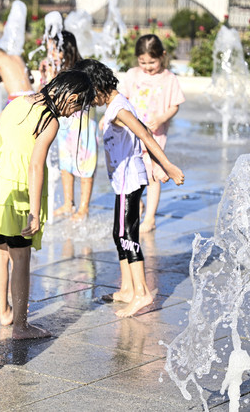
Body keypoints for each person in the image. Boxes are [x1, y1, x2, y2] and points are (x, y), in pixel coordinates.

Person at [0, 70, 95, 339]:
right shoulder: (49, 121)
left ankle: (4, 312)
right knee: (21, 257)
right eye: (77, 107)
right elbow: (36, 165)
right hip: (20, 193)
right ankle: (21, 326)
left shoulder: (18, 101)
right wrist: (34, 213)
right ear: (70, 97)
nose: (74, 114)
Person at [84, 59, 184, 318]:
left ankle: (141, 293)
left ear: (96, 87)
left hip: (130, 181)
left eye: (86, 94)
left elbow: (145, 136)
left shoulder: (119, 109)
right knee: (119, 234)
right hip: (122, 181)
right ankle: (127, 288)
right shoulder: (115, 105)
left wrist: (167, 166)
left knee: (128, 235)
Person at [120, 34, 185, 232]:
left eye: (152, 62)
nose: (147, 67)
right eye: (143, 62)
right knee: (130, 169)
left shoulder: (169, 79)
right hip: (132, 133)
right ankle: (138, 203)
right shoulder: (133, 74)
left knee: (153, 174)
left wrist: (162, 118)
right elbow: (121, 99)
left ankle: (150, 218)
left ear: (162, 56)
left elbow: (175, 105)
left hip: (155, 135)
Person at [38, 31, 98, 221]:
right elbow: (45, 95)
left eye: (54, 49)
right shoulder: (56, 71)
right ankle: (68, 203)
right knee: (66, 165)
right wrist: (45, 76)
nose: (51, 53)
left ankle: (84, 207)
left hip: (84, 125)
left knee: (85, 165)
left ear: (67, 49)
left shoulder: (83, 70)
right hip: (64, 125)